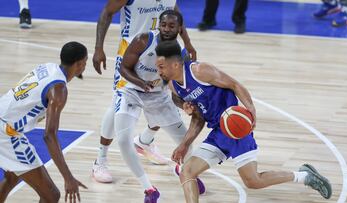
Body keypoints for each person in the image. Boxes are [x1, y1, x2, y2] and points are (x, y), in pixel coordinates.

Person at [155, 40, 333, 203]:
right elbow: (198, 118)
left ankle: (304, 176)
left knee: (253, 181)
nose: (159, 71)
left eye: (161, 66)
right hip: (218, 132)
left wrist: (251, 109)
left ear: (176, 64)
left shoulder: (200, 71)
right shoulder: (174, 86)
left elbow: (235, 85)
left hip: (236, 129)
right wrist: (184, 144)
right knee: (187, 171)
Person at [93, 10, 204, 203]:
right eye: (164, 25)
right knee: (123, 140)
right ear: (159, 25)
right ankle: (149, 189)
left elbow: (175, 89)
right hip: (131, 91)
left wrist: (184, 104)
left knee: (186, 142)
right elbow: (123, 68)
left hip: (158, 96)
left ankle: (183, 170)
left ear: (180, 29)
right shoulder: (144, 40)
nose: (167, 29)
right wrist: (141, 83)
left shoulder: (181, 55)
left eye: (172, 26)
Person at [0, 41, 88, 202]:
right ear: (80, 64)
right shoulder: (58, 90)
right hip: (6, 133)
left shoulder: (47, 67)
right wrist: (68, 177)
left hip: (3, 117)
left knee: (12, 177)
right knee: (51, 195)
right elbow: (49, 135)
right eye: (85, 62)